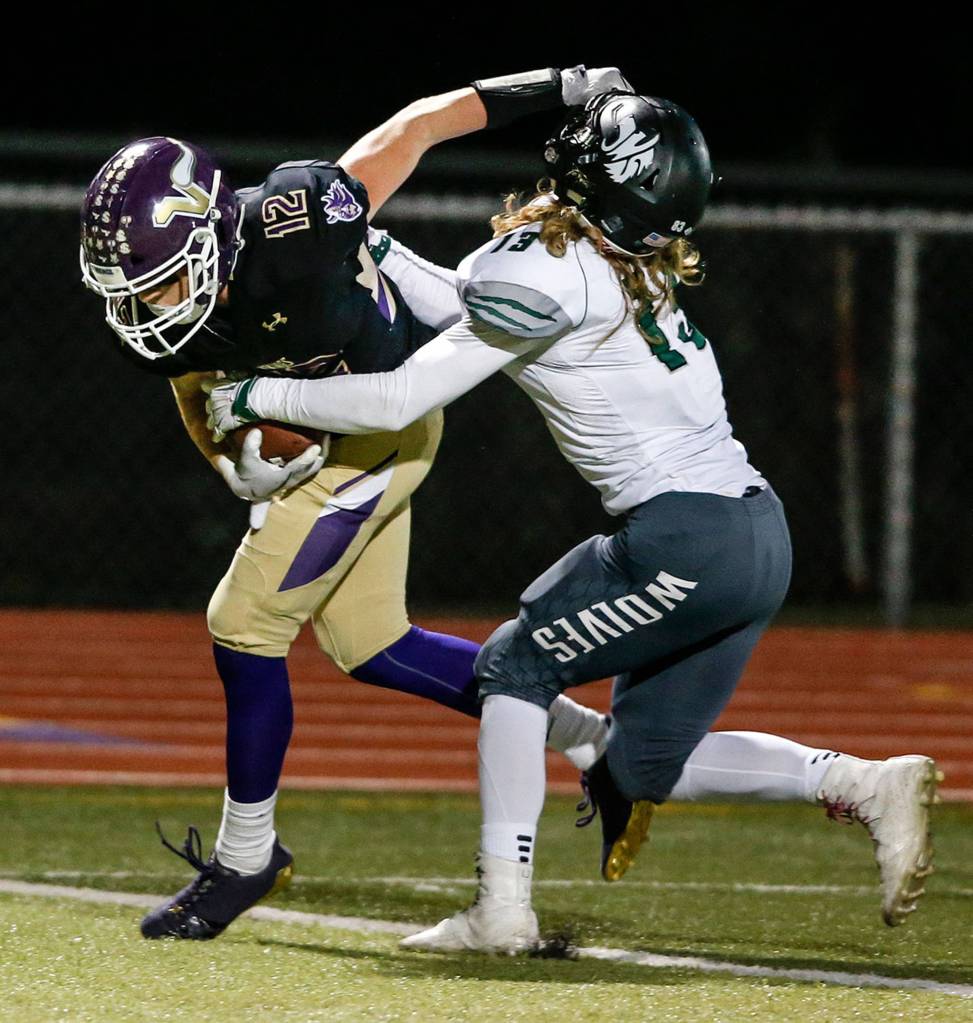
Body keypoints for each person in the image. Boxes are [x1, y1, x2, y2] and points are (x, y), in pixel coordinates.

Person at [206, 86, 941, 953]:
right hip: (754, 534)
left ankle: (500, 910)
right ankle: (860, 782)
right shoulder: (626, 260)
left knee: (513, 669)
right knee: (637, 766)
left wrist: (255, 393)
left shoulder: (548, 268)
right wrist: (376, 245)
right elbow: (470, 313)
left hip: (681, 535)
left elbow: (406, 390)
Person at [80, 67, 630, 941]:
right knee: (371, 644)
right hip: (341, 441)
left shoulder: (299, 219)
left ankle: (246, 853)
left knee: (244, 622)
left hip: (379, 429)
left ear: (216, 237)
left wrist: (562, 88)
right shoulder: (176, 312)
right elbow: (191, 383)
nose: (148, 309)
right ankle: (592, 739)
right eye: (135, 290)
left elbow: (418, 125)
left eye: (162, 283)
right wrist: (230, 465)